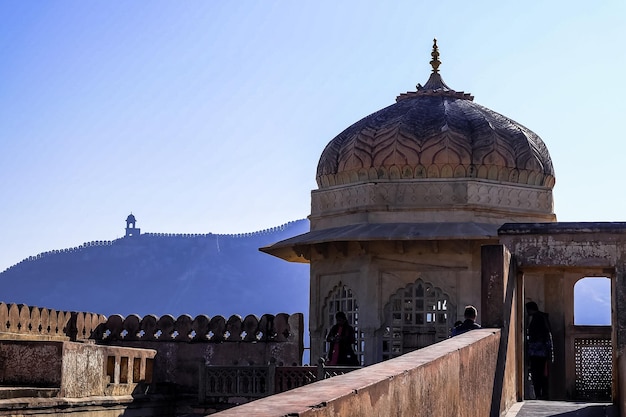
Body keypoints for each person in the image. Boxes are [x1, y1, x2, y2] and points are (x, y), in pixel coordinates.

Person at [525, 301, 553, 400]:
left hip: (536, 352)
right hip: (542, 352)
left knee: (537, 374)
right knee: (542, 374)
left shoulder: (537, 319)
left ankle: (539, 394)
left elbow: (542, 336)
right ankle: (542, 393)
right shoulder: (543, 317)